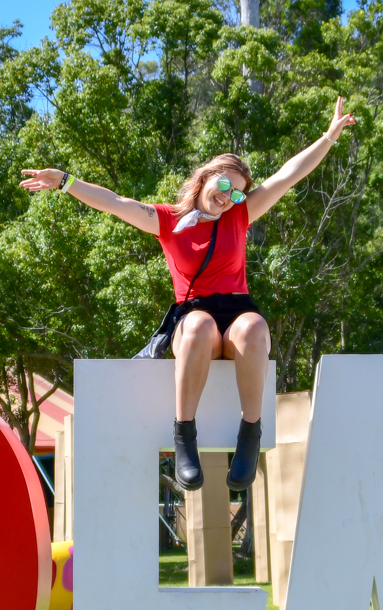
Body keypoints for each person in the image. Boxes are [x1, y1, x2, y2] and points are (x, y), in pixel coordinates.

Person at [21, 98, 358, 492]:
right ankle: (184, 435)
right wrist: (65, 181)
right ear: (207, 177)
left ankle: (249, 433)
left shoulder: (239, 215)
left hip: (236, 314)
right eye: (225, 184)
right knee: (197, 326)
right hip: (194, 316)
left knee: (255, 329)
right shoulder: (167, 220)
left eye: (237, 193)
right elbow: (113, 203)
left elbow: (287, 176)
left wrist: (329, 136)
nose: (229, 196)